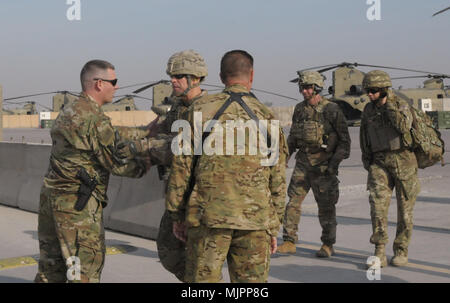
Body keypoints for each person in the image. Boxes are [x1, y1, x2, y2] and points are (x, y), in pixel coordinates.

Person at [166, 50, 288, 282]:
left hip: (208, 219)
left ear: (221, 77)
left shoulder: (198, 111)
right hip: (256, 221)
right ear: (251, 76)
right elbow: (278, 177)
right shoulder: (268, 117)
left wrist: (177, 215)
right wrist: (274, 224)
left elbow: (180, 168)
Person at [34, 59, 156, 283]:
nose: (117, 86)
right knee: (83, 270)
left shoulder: (73, 109)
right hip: (76, 207)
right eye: (114, 81)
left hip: (52, 200)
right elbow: (116, 163)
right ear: (99, 83)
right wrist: (148, 161)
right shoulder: (93, 118)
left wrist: (143, 132)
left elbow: (110, 135)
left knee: (51, 268)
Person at [277, 70, 351, 258]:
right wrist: (284, 158)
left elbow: (344, 142)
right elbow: (293, 138)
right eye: (302, 87)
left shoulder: (332, 110)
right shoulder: (300, 109)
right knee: (293, 202)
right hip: (303, 164)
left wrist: (333, 164)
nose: (304, 91)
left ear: (317, 88)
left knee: (326, 207)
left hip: (323, 166)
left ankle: (327, 244)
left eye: (307, 87)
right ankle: (289, 240)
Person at [155, 50, 208, 282]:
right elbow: (166, 134)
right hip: (176, 191)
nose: (173, 81)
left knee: (199, 262)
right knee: (169, 252)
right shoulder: (178, 107)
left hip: (199, 196)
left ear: (195, 79)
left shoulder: (208, 109)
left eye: (178, 76)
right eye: (171, 77)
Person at [360, 70, 419, 267]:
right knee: (377, 207)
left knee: (405, 210)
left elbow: (403, 127)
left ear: (384, 90)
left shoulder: (400, 105)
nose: (369, 94)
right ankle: (379, 251)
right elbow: (364, 136)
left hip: (404, 162)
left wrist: (389, 106)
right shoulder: (368, 109)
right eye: (368, 90)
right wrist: (367, 159)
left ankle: (401, 249)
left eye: (374, 91)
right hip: (379, 162)